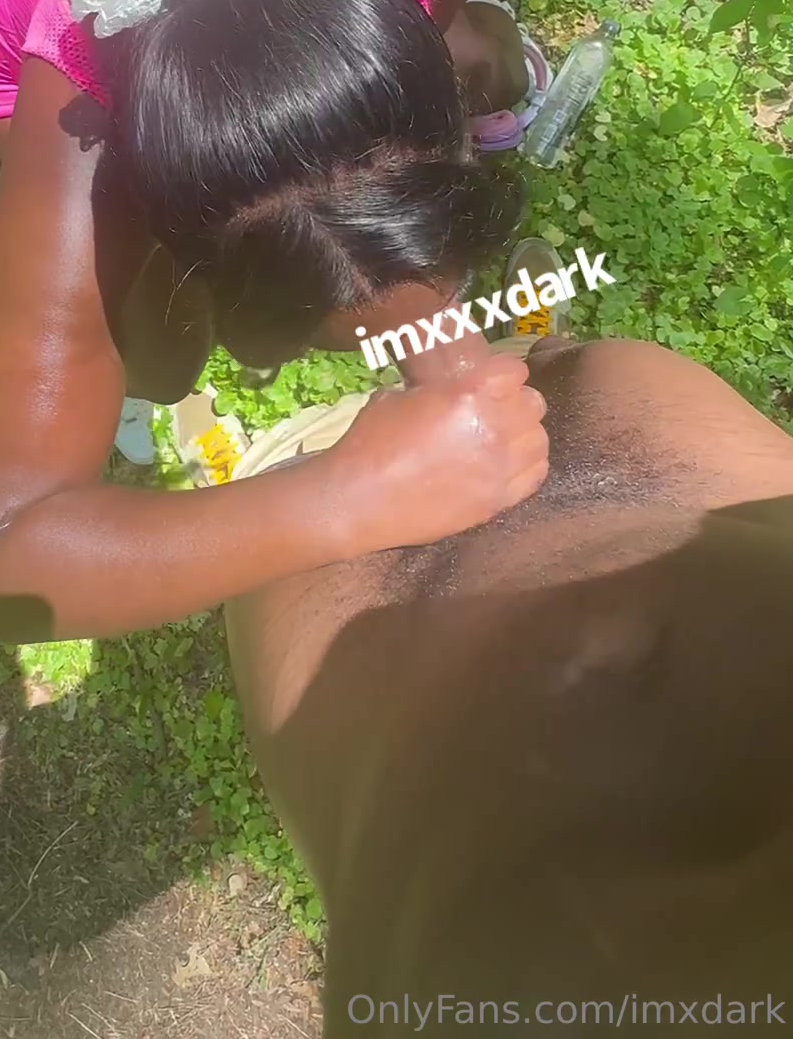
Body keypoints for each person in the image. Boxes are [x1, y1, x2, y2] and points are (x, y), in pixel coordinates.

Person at [0, 0, 550, 642]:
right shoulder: (79, 142)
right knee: (159, 364)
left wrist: (439, 343)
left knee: (488, 60)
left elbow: (360, 216)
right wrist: (346, 497)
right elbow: (7, 559)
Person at [224, 297, 793, 1024]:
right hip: (594, 432)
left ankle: (265, 457)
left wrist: (326, 500)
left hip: (318, 551)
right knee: (543, 373)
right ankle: (534, 349)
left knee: (274, 484)